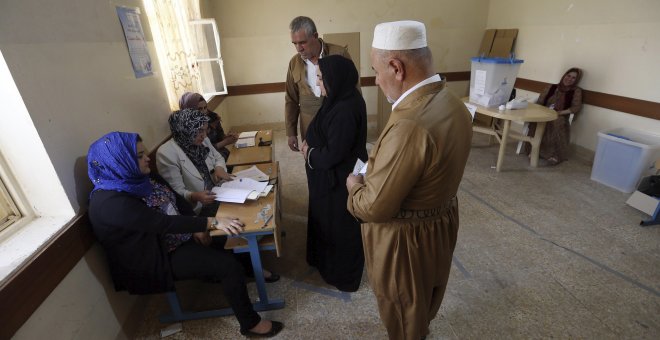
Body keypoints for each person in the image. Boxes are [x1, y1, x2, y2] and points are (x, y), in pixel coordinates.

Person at [345, 21, 472, 339]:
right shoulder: (454, 104)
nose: (377, 80)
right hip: (439, 226)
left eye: (377, 70)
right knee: (423, 303)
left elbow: (373, 208)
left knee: (403, 316)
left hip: (406, 243)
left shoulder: (410, 125)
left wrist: (354, 188)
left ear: (396, 67)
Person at [87, 132, 283, 337]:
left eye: (144, 153)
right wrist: (208, 223)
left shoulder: (141, 177)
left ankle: (251, 269)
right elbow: (161, 223)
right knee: (227, 266)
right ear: (119, 162)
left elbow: (176, 199)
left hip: (176, 234)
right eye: (139, 155)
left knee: (233, 233)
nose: (147, 158)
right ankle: (250, 324)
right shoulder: (109, 203)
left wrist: (198, 226)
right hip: (158, 254)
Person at [299, 55, 367, 292]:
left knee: (339, 227)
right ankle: (323, 262)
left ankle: (343, 275)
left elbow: (332, 155)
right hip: (326, 180)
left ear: (334, 79)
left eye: (320, 78)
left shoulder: (346, 108)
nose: (318, 84)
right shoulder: (336, 99)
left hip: (339, 181)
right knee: (324, 223)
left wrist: (309, 153)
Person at [285, 16, 356, 152]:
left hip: (337, 124)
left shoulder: (339, 54)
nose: (298, 48)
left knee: (337, 159)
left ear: (315, 36)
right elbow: (291, 99)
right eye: (294, 43)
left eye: (302, 42)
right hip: (309, 126)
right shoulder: (294, 63)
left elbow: (354, 93)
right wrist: (291, 132)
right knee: (313, 161)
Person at [156, 108, 231, 216]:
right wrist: (194, 196)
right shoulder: (166, 153)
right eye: (200, 130)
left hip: (220, 193)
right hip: (198, 209)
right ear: (185, 129)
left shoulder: (202, 140)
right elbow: (176, 193)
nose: (204, 135)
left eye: (205, 130)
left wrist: (219, 168)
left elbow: (218, 157)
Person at [524, 67, 583, 165]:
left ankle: (553, 154)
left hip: (560, 114)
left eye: (573, 78)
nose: (570, 79)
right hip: (544, 112)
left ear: (576, 80)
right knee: (537, 120)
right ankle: (534, 150)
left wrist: (560, 112)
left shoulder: (576, 91)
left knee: (556, 122)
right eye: (568, 76)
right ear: (564, 75)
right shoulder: (551, 87)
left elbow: (576, 107)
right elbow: (540, 101)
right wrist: (540, 111)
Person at [179, 92, 238, 161]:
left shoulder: (213, 117)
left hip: (222, 155)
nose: (204, 112)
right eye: (199, 109)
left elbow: (221, 136)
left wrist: (229, 137)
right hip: (210, 160)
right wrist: (225, 142)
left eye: (205, 107)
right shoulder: (188, 128)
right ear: (190, 110)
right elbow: (205, 150)